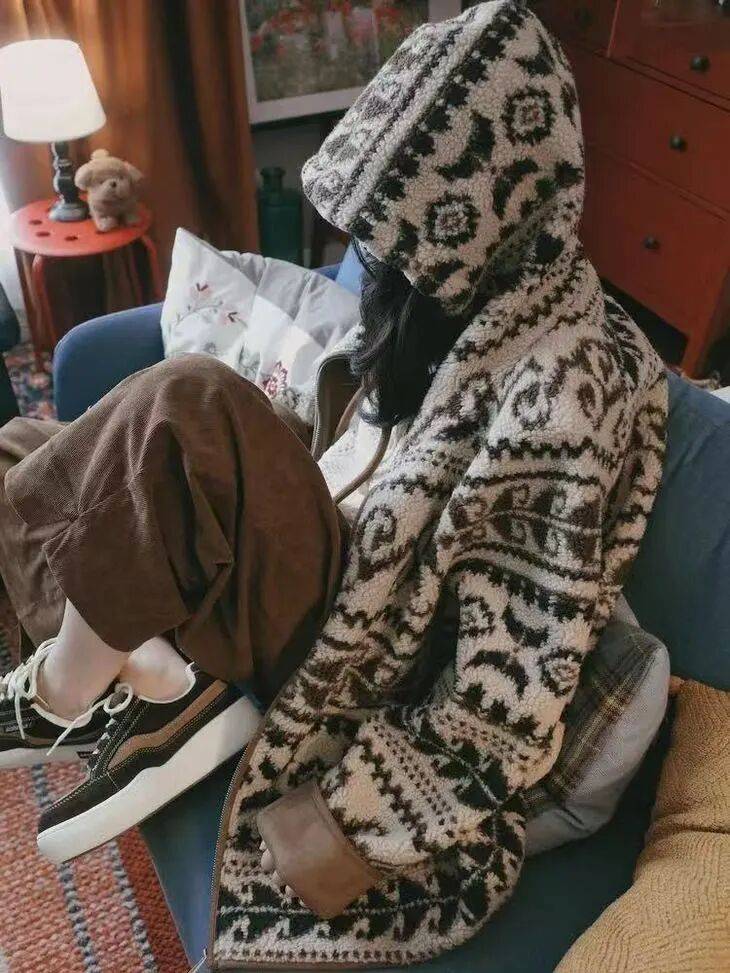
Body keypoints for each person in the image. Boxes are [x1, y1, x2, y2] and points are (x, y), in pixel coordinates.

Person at [0, 1, 667, 966]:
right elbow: (365, 444)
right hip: (327, 550)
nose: (373, 254)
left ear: (474, 207)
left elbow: (511, 681)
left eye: (393, 230)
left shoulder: (567, 386)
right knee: (26, 443)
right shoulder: (457, 294)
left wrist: (342, 823)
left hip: (362, 651)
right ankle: (141, 668)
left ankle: (64, 691)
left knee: (190, 403)